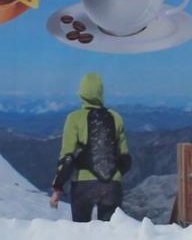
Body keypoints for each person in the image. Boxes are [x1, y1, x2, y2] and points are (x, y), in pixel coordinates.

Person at [49, 72, 131, 221]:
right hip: (112, 185)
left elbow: (67, 158)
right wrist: (114, 176)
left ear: (81, 92)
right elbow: (126, 159)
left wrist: (58, 187)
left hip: (83, 185)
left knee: (82, 233)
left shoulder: (74, 118)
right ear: (101, 92)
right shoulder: (116, 117)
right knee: (109, 233)